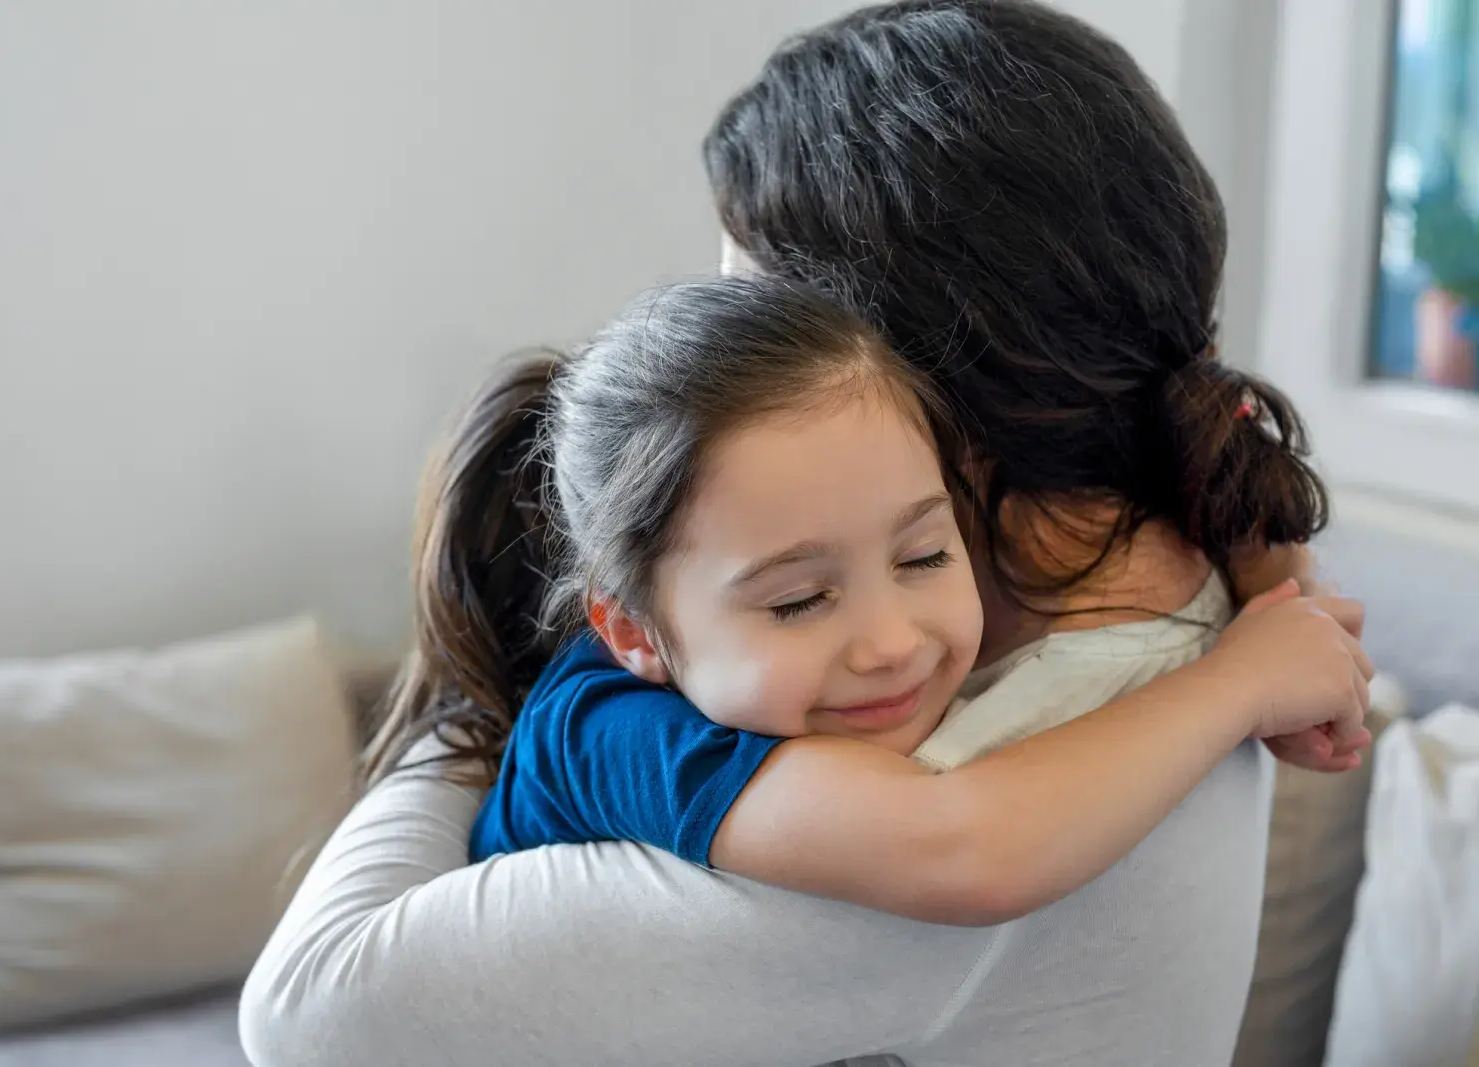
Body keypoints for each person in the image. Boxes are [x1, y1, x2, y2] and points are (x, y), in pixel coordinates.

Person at [240, 3, 1373, 1064]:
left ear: (913, 384)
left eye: (764, 312)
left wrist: (481, 714)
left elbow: (313, 1008)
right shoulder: (1189, 578)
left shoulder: (969, 774)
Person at [450, 274, 1365, 926]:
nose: (891, 641)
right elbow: (967, 849)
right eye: (800, 601)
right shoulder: (606, 733)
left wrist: (1274, 577)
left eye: (925, 553)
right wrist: (1241, 682)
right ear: (632, 630)